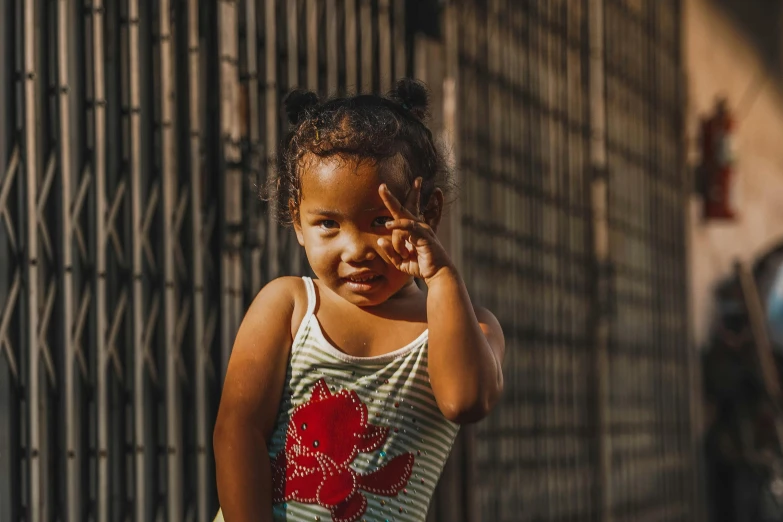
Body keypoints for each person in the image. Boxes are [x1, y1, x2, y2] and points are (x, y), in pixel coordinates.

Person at [212, 79, 506, 522]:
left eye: (380, 221)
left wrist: (442, 276)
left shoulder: (467, 327)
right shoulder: (289, 307)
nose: (355, 250)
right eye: (328, 223)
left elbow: (465, 401)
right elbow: (238, 432)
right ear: (296, 220)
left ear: (428, 214)